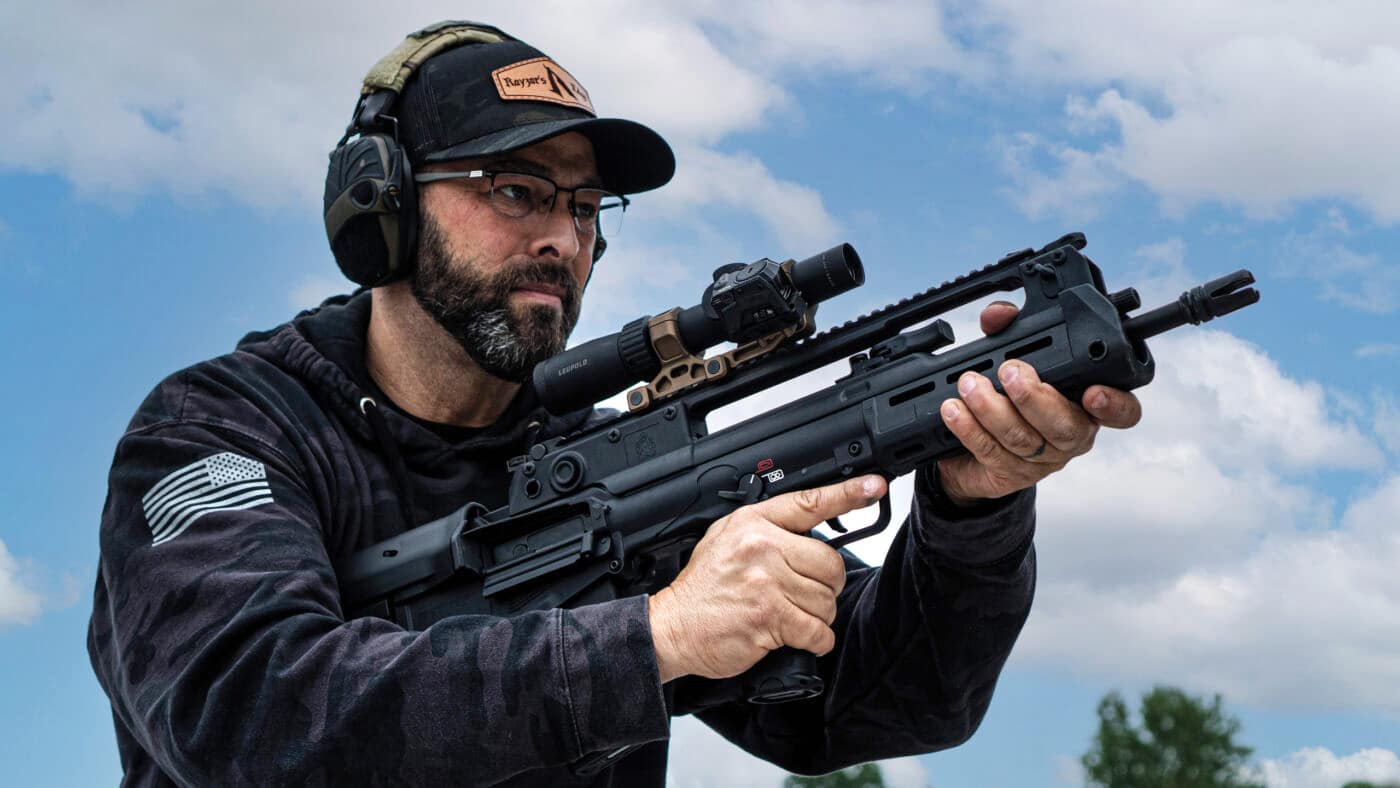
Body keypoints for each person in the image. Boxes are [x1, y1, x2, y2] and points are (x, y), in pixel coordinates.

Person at [87, 21, 1142, 787]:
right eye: (517, 191)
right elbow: (249, 713)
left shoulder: (611, 462)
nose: (562, 236)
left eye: (588, 205)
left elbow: (894, 700)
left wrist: (973, 506)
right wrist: (654, 637)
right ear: (384, 208)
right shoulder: (223, 429)